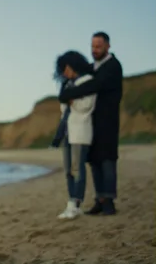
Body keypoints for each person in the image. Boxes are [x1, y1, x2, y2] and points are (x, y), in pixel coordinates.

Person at [59, 32, 123, 216]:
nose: (95, 50)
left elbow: (94, 86)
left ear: (108, 46)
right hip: (91, 120)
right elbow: (73, 76)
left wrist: (67, 95)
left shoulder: (113, 66)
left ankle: (109, 200)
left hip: (108, 119)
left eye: (99, 47)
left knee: (107, 159)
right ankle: (99, 200)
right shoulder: (91, 67)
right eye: (92, 46)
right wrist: (66, 89)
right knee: (94, 160)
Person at [51, 51, 97, 219]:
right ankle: (71, 203)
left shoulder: (88, 81)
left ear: (74, 65)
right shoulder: (68, 85)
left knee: (78, 169)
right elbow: (64, 107)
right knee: (68, 170)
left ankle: (76, 203)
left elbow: (87, 105)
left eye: (66, 68)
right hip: (67, 132)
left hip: (80, 130)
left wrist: (72, 101)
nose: (64, 72)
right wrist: (69, 101)